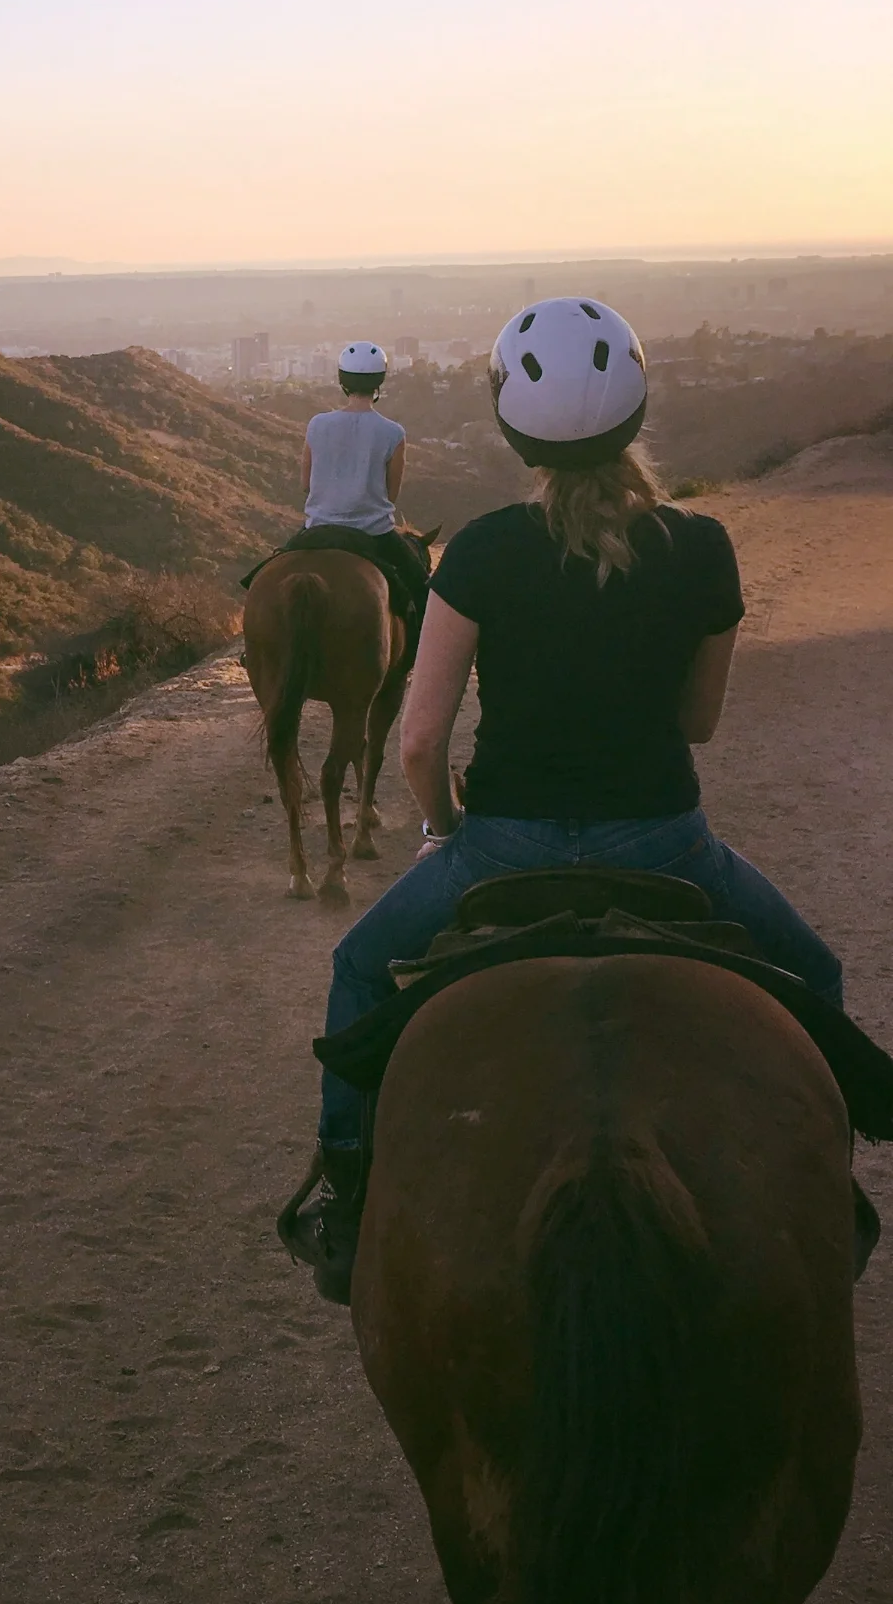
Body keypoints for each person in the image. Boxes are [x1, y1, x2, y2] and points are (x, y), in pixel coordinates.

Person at [283, 295, 853, 1304]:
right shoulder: (704, 547)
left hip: (503, 846)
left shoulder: (488, 551)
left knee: (360, 965)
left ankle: (347, 1183)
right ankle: (830, 1191)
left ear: (513, 427)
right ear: (637, 408)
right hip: (668, 845)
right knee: (812, 967)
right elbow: (699, 724)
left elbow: (417, 741)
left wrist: (445, 831)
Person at [297, 340, 432, 655]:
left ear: (342, 381)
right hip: (373, 532)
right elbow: (391, 493)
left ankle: (254, 648)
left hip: (318, 529)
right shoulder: (393, 433)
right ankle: (421, 649)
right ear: (379, 382)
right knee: (424, 590)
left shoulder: (317, 425)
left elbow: (306, 483)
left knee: (265, 572)